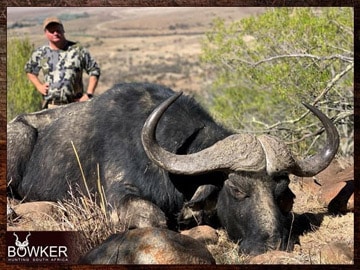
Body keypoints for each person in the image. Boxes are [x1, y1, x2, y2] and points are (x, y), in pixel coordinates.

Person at [25, 17, 101, 109]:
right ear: (46, 33)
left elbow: (94, 70)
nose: (55, 33)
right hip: (51, 107)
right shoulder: (41, 53)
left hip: (75, 106)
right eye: (52, 31)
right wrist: (39, 86)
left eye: (58, 30)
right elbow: (30, 71)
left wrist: (89, 94)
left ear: (63, 30)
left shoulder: (78, 50)